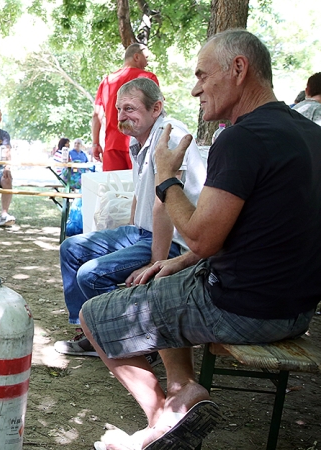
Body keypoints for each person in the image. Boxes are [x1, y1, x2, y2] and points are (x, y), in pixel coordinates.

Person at [81, 30, 321, 450]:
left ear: (239, 69)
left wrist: (166, 177)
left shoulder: (243, 138)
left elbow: (201, 235)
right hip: (297, 308)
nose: (195, 89)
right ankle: (183, 388)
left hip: (244, 308)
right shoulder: (310, 134)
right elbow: (256, 231)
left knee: (92, 316)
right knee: (161, 277)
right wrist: (182, 259)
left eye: (202, 76)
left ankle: (162, 417)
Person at [56, 77, 206, 359]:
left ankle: (130, 343)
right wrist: (121, 235)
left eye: (130, 109)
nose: (122, 117)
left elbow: (166, 204)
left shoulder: (170, 137)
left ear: (156, 108)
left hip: (173, 241)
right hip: (144, 231)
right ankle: (88, 331)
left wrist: (154, 262)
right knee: (72, 248)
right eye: (119, 109)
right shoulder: (139, 140)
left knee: (92, 274)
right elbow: (140, 195)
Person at [91, 43, 159, 171]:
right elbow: (155, 111)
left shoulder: (107, 81)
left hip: (112, 145)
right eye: (147, 58)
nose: (147, 63)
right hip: (140, 144)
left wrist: (95, 143)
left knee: (113, 189)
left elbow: (97, 115)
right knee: (141, 188)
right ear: (137, 57)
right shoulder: (148, 78)